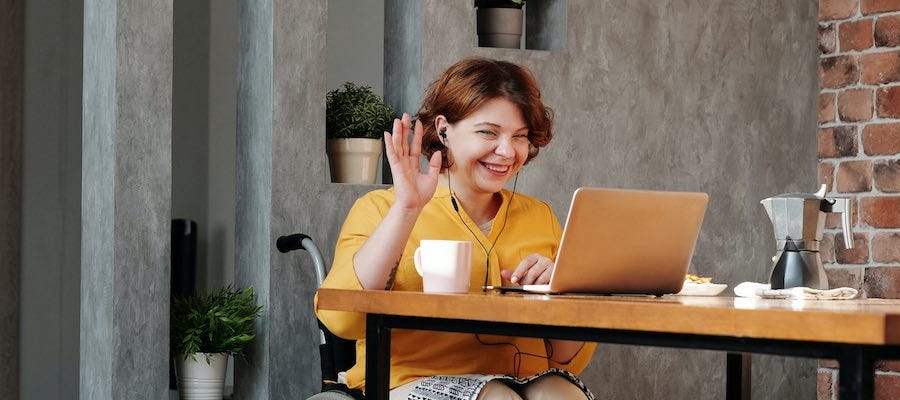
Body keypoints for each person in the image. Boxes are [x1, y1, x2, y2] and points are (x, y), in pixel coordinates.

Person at [315, 57, 596, 400]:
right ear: (444, 129)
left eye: (519, 136)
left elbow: (566, 358)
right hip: (405, 381)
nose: (507, 151)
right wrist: (407, 209)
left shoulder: (539, 217)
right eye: (488, 132)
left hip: (524, 379)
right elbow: (342, 321)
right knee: (496, 398)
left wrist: (562, 293)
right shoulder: (380, 209)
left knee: (562, 396)